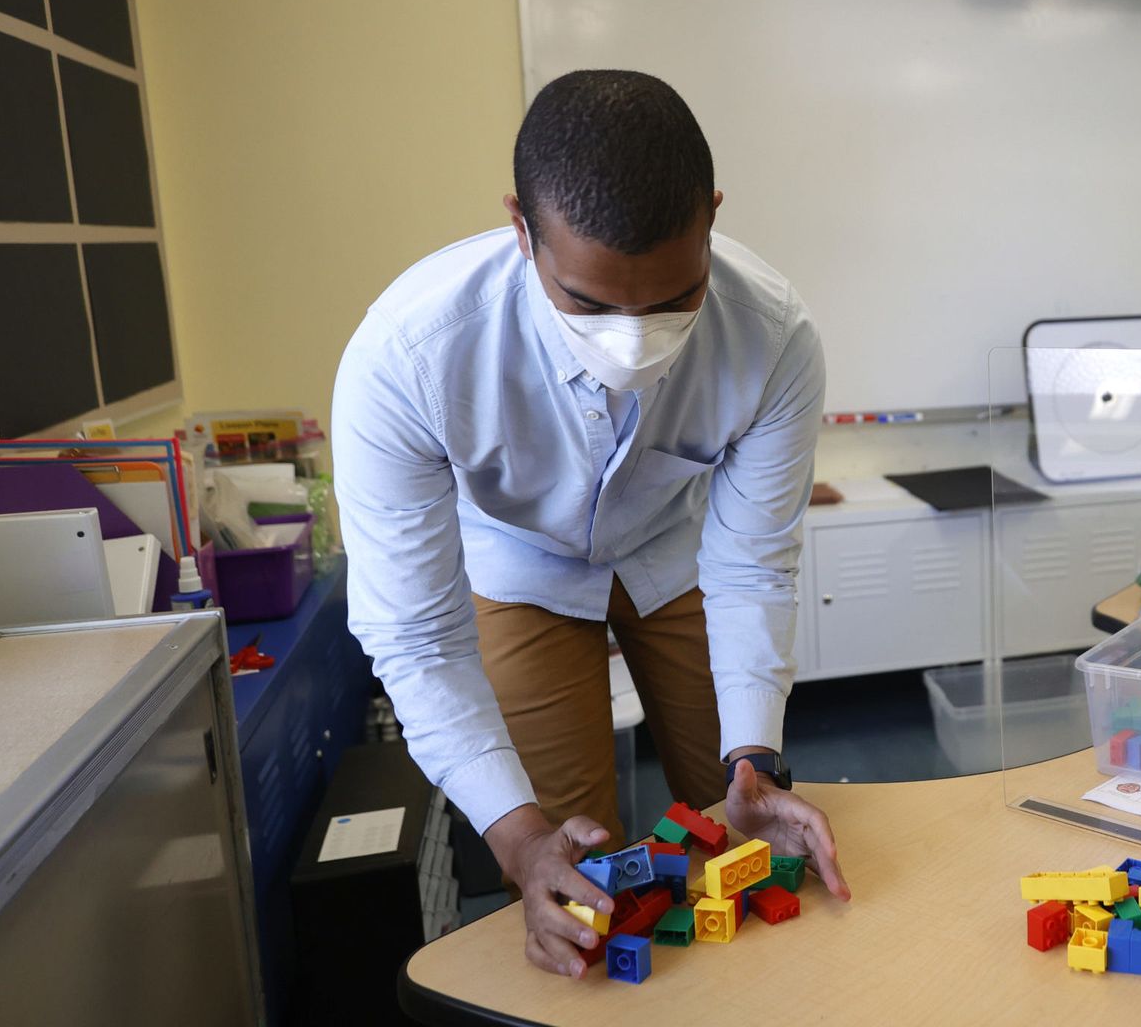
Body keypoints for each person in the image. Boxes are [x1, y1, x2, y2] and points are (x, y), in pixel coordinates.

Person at [332, 70, 846, 977]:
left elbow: (754, 564)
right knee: (578, 862)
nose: (632, 340)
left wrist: (754, 752)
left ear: (713, 218)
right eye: (591, 304)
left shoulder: (775, 336)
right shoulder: (408, 355)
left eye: (672, 302)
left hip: (677, 555)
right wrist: (521, 841)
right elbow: (417, 639)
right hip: (517, 565)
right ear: (521, 231)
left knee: (735, 815)